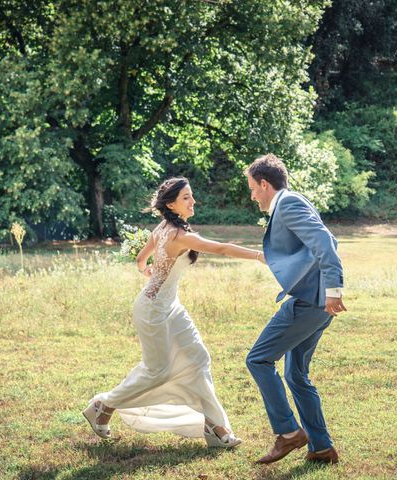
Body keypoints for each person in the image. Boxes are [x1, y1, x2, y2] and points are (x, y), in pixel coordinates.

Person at [82, 176, 265, 448]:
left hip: (171, 307)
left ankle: (217, 429)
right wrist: (261, 255)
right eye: (186, 198)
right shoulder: (179, 235)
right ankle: (103, 405)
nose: (193, 201)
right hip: (152, 310)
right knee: (158, 371)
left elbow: (140, 258)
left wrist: (148, 271)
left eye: (191, 195)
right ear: (171, 203)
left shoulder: (164, 227)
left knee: (198, 359)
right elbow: (222, 248)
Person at [244, 153, 347, 465]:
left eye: (252, 188)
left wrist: (333, 290)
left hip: (311, 302)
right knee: (296, 374)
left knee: (258, 359)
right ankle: (322, 448)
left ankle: (288, 432)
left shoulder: (288, 203)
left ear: (264, 184)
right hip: (317, 304)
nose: (252, 195)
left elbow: (326, 242)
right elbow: (310, 246)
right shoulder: (290, 202)